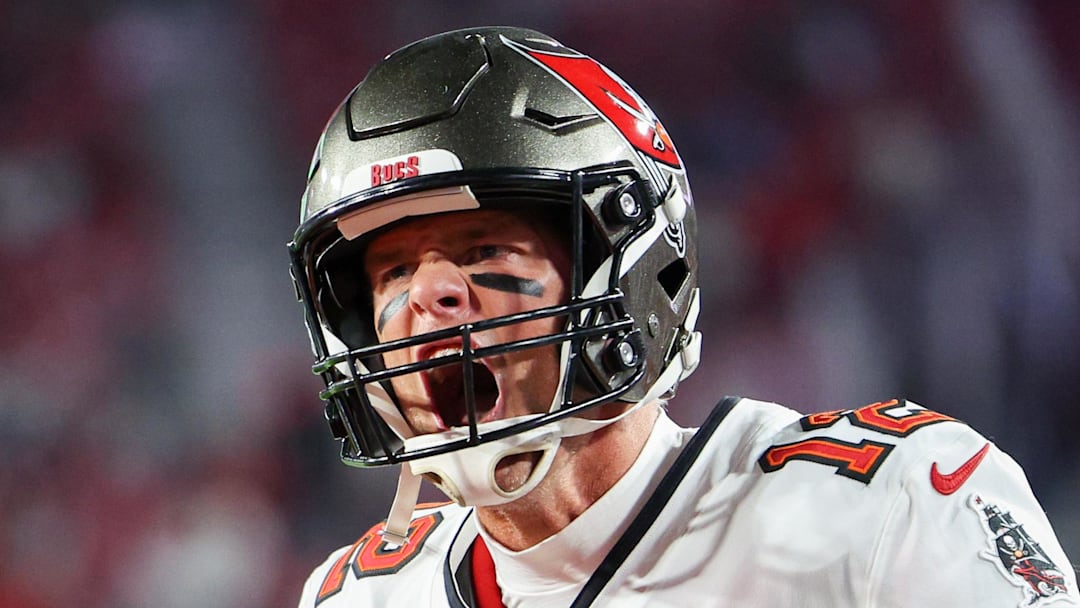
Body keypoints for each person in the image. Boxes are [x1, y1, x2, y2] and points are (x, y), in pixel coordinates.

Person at [288, 26, 1078, 607]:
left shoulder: (885, 510)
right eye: (390, 271)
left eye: (483, 247)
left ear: (636, 268)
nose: (429, 298)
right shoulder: (357, 596)